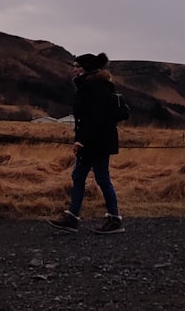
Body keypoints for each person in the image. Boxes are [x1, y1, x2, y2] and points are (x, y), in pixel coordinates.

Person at [48, 52, 125, 234]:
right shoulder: (92, 86)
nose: (73, 70)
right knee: (80, 176)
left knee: (101, 178)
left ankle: (113, 219)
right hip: (95, 141)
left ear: (85, 70)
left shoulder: (95, 88)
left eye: (76, 66)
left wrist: (81, 141)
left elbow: (94, 118)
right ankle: (73, 217)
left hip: (96, 142)